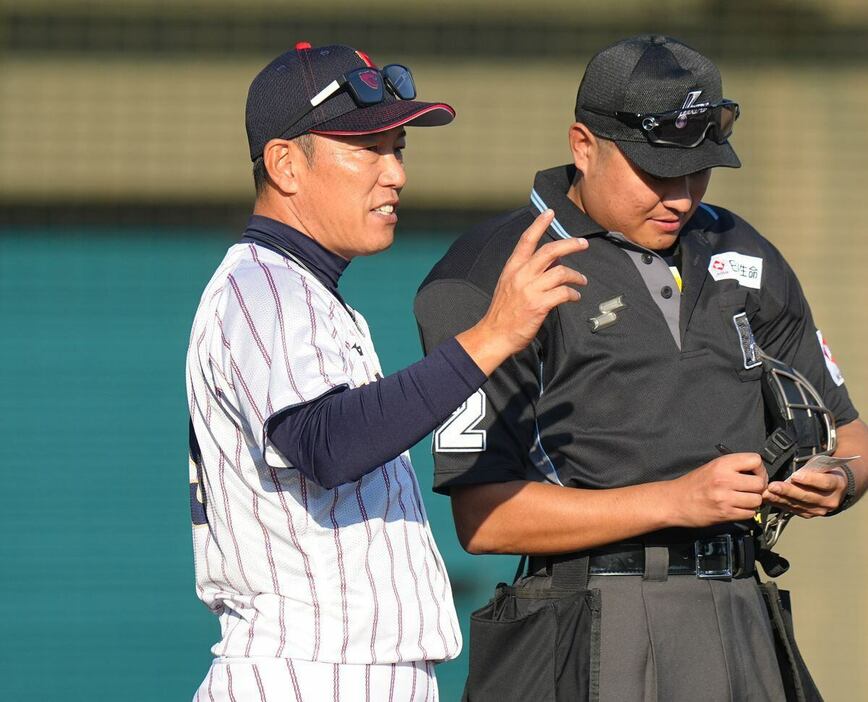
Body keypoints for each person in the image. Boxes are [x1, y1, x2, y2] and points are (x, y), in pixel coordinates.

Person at [414, 35, 867, 701]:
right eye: (656, 172)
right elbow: (485, 519)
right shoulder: (492, 271)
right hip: (592, 620)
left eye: (699, 171)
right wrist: (678, 501)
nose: (681, 198)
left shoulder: (741, 249)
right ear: (582, 145)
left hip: (743, 614)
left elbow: (850, 435)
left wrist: (840, 477)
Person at [185, 42, 587, 701]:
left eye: (397, 148)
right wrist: (490, 337)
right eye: (366, 149)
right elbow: (325, 442)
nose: (395, 173)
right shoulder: (264, 289)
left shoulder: (305, 292)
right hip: (308, 675)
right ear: (285, 163)